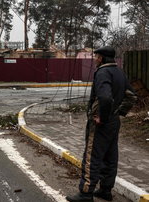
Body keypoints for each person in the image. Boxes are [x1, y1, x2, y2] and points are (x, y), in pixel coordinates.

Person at [66, 46, 137, 202]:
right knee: (110, 156)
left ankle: (85, 193)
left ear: (102, 58)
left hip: (101, 123)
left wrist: (102, 117)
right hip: (113, 122)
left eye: (96, 56)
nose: (94, 59)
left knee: (92, 157)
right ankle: (105, 190)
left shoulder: (102, 72)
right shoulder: (119, 72)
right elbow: (132, 96)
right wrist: (119, 113)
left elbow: (105, 98)